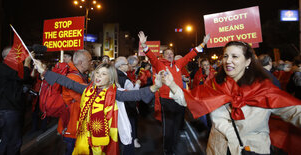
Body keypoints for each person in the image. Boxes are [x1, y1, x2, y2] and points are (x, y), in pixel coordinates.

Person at [162, 41, 301, 155]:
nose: (228, 60)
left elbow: (294, 111)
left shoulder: (264, 88)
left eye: (235, 56)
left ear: (247, 61)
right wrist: (171, 84)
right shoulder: (214, 85)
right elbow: (190, 99)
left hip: (253, 150)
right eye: (225, 56)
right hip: (218, 149)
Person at [34, 60, 163, 155]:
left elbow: (135, 95)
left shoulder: (115, 93)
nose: (98, 76)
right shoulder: (88, 89)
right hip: (88, 136)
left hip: (108, 140)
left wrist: (155, 87)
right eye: (97, 73)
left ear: (110, 78)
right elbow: (69, 82)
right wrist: (44, 72)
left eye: (103, 74)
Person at [138, 31, 210, 155]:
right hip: (166, 100)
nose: (170, 55)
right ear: (164, 55)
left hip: (179, 99)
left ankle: (175, 146)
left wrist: (203, 43)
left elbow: (190, 54)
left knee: (177, 125)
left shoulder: (178, 63)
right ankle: (167, 150)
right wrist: (144, 45)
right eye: (168, 53)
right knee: (168, 128)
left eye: (172, 53)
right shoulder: (159, 63)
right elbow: (151, 56)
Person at [0, 47, 33, 155]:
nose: (18, 57)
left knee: (6, 141)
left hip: (7, 110)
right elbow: (23, 76)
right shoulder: (3, 68)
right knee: (14, 143)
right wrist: (27, 62)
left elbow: (27, 79)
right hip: (9, 110)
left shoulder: (6, 69)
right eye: (16, 54)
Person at [58, 49, 92, 155]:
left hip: (76, 125)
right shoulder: (73, 77)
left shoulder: (79, 75)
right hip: (73, 127)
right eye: (90, 60)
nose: (91, 63)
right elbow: (85, 97)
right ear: (81, 63)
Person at [115, 56, 141, 153]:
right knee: (128, 132)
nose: (129, 65)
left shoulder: (114, 75)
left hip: (117, 109)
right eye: (126, 64)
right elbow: (133, 95)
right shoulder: (124, 79)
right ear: (121, 66)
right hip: (126, 109)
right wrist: (137, 84)